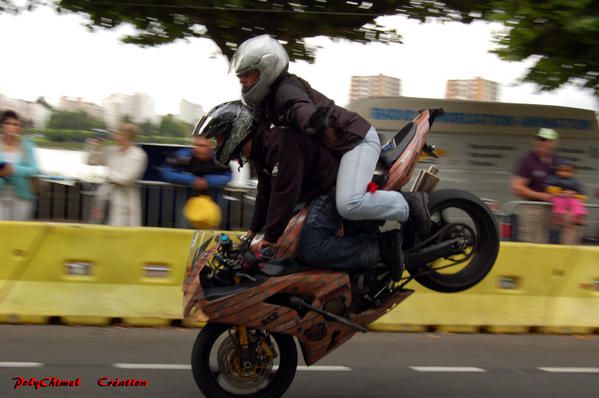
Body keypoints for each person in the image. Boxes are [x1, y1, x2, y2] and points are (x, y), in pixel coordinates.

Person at [229, 34, 430, 238]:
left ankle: (409, 204)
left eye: (248, 74)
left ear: (267, 68)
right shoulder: (265, 106)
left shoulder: (285, 89)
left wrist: (310, 120)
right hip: (338, 150)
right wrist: (253, 231)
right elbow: (266, 184)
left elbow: (299, 106)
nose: (243, 81)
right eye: (241, 76)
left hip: (354, 141)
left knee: (349, 203)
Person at [195, 101, 403, 271]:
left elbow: (285, 194)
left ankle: (381, 249)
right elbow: (265, 196)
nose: (218, 144)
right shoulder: (261, 150)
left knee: (310, 248)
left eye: (220, 137)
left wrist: (268, 240)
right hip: (316, 193)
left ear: (237, 130)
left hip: (330, 187)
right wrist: (250, 234)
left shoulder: (279, 143)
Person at [158, 136, 232, 227]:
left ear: (210, 147)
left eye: (203, 146)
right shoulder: (182, 156)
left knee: (211, 233)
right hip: (186, 204)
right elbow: (166, 172)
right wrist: (192, 180)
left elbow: (228, 176)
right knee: (184, 230)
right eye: (197, 145)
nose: (200, 148)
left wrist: (207, 181)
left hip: (213, 205)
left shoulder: (220, 158)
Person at [85, 122, 148, 226]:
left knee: (120, 229)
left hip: (124, 198)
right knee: (98, 225)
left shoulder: (138, 155)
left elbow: (127, 179)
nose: (115, 136)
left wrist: (109, 174)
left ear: (127, 136)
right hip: (105, 196)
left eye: (118, 134)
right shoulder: (110, 151)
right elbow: (90, 161)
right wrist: (94, 147)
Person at [510, 127, 559, 243]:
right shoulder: (527, 159)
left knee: (549, 243)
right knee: (532, 242)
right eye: (540, 139)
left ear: (554, 143)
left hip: (552, 209)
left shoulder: (556, 160)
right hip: (532, 208)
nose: (542, 142)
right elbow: (516, 187)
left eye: (546, 140)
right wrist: (542, 196)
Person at [0, 110, 39, 221]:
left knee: (19, 231)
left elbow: (35, 170)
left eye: (15, 124)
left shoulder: (26, 146)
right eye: (7, 123)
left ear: (20, 128)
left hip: (22, 197)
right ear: (2, 125)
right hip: (1, 195)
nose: (11, 127)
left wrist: (14, 169)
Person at [545, 159, 588, 244]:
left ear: (573, 172)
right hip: (559, 197)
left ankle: (578, 216)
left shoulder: (575, 182)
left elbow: (582, 193)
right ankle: (558, 217)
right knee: (559, 201)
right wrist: (559, 193)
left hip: (571, 198)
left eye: (567, 171)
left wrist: (574, 194)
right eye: (561, 171)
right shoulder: (553, 179)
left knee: (576, 202)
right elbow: (549, 188)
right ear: (557, 171)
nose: (564, 173)